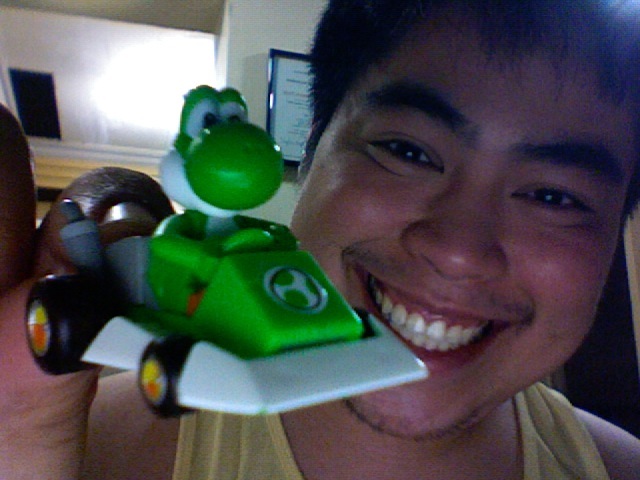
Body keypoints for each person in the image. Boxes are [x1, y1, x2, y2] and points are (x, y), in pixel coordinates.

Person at [2, 0, 640, 478]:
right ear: (310, 153)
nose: (457, 251)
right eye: (407, 151)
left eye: (555, 197)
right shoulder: (76, 441)